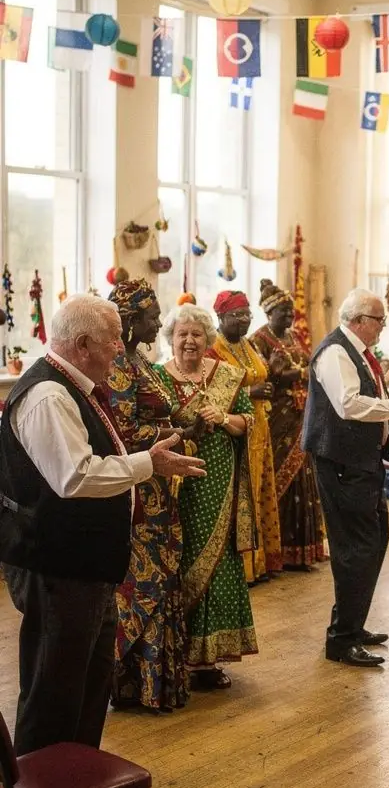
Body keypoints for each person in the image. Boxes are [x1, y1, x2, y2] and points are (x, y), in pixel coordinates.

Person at [0, 295, 204, 788]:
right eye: (113, 338)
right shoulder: (45, 394)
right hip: (56, 568)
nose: (122, 347)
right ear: (83, 344)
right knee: (51, 696)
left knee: (88, 689)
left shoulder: (72, 388)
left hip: (84, 568)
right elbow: (74, 477)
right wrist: (147, 465)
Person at [302, 288, 389, 667]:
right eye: (379, 320)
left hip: (361, 462)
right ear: (358, 321)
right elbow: (349, 404)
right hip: (341, 462)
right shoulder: (336, 351)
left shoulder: (359, 353)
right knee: (355, 549)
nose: (382, 327)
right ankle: (342, 639)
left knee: (373, 541)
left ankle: (352, 623)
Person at [155, 304, 258, 686]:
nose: (189, 340)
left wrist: (225, 419)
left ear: (208, 339)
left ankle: (208, 659)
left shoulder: (228, 375)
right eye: (182, 333)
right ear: (171, 338)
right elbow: (152, 426)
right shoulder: (158, 377)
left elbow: (247, 420)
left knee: (219, 562)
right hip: (175, 484)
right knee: (180, 559)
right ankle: (176, 653)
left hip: (219, 481)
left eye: (197, 334)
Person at [105, 280, 190, 713]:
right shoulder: (118, 361)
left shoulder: (136, 357)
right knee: (143, 585)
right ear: (130, 319)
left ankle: (155, 684)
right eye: (153, 315)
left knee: (159, 578)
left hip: (155, 485)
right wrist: (172, 434)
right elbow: (119, 432)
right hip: (137, 491)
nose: (159, 321)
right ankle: (136, 685)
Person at [250, 281, 326, 568]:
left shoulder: (295, 337)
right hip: (276, 418)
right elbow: (270, 375)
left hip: (301, 417)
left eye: (291, 311)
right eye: (283, 311)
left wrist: (299, 372)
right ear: (269, 313)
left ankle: (303, 551)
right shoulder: (259, 340)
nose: (289, 316)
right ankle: (276, 552)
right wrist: (302, 372)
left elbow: (306, 367)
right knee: (279, 477)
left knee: (302, 480)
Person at [210, 289, 282, 585]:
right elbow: (209, 390)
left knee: (261, 491)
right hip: (233, 430)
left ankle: (260, 563)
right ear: (221, 317)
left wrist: (271, 379)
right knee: (242, 496)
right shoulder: (212, 349)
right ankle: (242, 568)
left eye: (246, 314)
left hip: (259, 429)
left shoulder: (248, 345)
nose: (243, 320)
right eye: (236, 315)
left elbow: (262, 375)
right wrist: (249, 393)